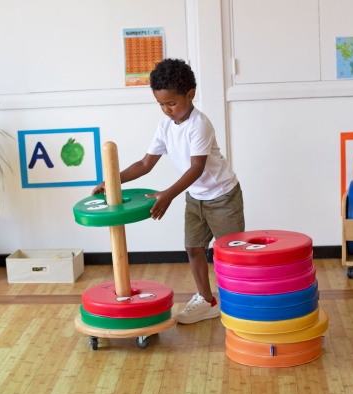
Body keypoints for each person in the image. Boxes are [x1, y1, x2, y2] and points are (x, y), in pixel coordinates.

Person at [92, 58, 245, 324]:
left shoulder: (200, 124)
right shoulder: (165, 126)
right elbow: (145, 164)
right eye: (161, 104)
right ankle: (207, 300)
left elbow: (196, 168)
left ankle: (242, 303)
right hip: (194, 196)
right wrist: (112, 181)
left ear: (190, 94)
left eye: (171, 103)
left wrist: (168, 194)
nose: (166, 110)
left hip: (222, 197)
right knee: (193, 248)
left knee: (231, 254)